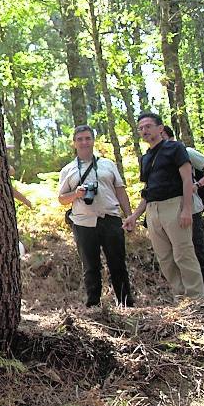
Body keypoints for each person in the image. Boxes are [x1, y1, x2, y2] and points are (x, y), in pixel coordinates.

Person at [124, 113, 204, 300]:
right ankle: (181, 297)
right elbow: (148, 189)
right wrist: (134, 216)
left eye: (149, 126)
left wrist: (186, 209)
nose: (145, 130)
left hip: (174, 205)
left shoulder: (175, 148)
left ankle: (196, 298)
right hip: (153, 210)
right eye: (141, 128)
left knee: (183, 253)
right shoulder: (145, 158)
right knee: (165, 258)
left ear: (160, 128)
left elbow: (186, 180)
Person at [58, 125, 135, 307]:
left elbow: (120, 191)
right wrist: (76, 193)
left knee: (117, 263)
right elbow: (61, 199)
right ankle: (93, 305)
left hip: (110, 219)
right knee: (90, 267)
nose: (84, 142)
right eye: (80, 139)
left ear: (93, 141)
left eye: (87, 138)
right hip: (83, 222)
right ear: (74, 143)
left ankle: (125, 303)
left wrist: (130, 216)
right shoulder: (68, 170)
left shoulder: (107, 164)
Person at [163, 126, 204, 297]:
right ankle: (191, 296)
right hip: (170, 213)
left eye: (162, 137)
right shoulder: (158, 158)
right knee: (180, 255)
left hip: (193, 210)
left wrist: (198, 185)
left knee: (199, 251)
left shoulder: (186, 152)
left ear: (169, 136)